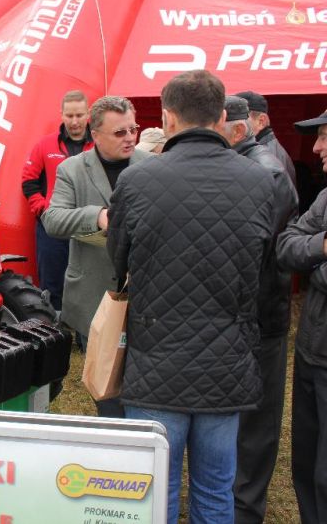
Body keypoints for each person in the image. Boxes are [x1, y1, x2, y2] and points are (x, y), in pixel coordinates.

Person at [107, 70, 276, 523]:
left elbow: (117, 263)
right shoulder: (261, 182)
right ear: (222, 116)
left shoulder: (136, 182)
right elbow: (265, 272)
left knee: (153, 494)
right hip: (228, 363)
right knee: (215, 492)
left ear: (168, 117)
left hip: (156, 360)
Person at [41, 95, 151, 418]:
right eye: (120, 132)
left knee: (141, 381)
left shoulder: (152, 165)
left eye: (133, 129)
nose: (130, 137)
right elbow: (53, 219)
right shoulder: (71, 170)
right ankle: (115, 441)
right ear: (95, 134)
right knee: (106, 387)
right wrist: (98, 216)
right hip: (94, 297)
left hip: (146, 297)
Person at [218, 96, 299, 524]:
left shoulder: (266, 169)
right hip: (251, 312)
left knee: (257, 424)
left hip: (261, 314)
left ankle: (244, 511)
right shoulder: (255, 163)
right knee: (245, 419)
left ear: (239, 128)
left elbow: (261, 246)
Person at [276, 108, 327, 524]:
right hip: (311, 354)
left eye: (326, 137)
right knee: (307, 467)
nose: (316, 148)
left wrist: (317, 268)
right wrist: (323, 247)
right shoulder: (326, 198)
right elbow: (288, 245)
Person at [21, 90, 94, 312]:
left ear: (88, 114)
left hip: (88, 225)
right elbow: (28, 181)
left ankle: (84, 329)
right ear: (61, 115)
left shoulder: (99, 144)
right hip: (52, 227)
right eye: (69, 116)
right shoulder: (45, 145)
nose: (74, 121)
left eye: (79, 115)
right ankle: (55, 330)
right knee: (52, 281)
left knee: (89, 279)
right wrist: (43, 210)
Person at [235, 90, 297, 187]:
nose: (233, 125)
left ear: (261, 121)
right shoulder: (265, 151)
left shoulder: (266, 157)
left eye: (240, 118)